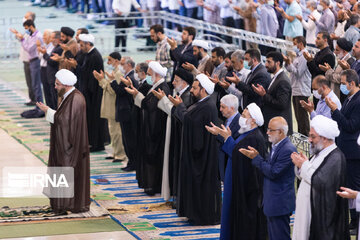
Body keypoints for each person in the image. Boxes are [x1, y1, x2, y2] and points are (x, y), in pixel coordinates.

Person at [206, 102, 267, 239]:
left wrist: (226, 137)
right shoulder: (247, 134)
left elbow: (238, 154)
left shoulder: (254, 137)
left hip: (244, 187)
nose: (241, 117)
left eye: (244, 115)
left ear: (252, 120)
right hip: (235, 179)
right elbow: (237, 152)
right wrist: (224, 136)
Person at [36, 69, 90, 214]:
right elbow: (63, 117)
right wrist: (49, 111)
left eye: (57, 84)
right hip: (67, 144)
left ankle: (68, 204)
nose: (55, 87)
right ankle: (62, 203)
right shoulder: (68, 96)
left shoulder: (76, 98)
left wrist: (48, 111)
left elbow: (65, 121)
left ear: (65, 85)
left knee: (67, 173)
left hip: (72, 146)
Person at [170, 73, 221, 225]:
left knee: (201, 186)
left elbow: (191, 122)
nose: (191, 90)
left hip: (201, 157)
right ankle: (194, 214)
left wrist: (180, 106)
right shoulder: (201, 104)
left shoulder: (207, 106)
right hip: (196, 155)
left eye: (194, 87)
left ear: (203, 90)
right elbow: (190, 119)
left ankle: (201, 216)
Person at [291, 115, 349, 240]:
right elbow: (309, 175)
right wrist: (301, 165)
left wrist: (304, 165)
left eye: (313, 136)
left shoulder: (336, 157)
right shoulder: (319, 153)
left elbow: (321, 181)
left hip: (323, 219)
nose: (309, 140)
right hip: (306, 213)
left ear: (325, 138)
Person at [240, 117, 296, 240]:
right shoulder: (276, 145)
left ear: (281, 132)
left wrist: (256, 158)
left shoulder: (288, 149)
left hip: (280, 203)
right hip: (273, 201)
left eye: (271, 130)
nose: (267, 133)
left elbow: (273, 172)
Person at [125, 61, 171, 196]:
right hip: (150, 129)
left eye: (150, 74)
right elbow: (148, 103)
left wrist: (136, 94)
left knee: (154, 160)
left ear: (156, 75)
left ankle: (153, 186)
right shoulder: (155, 86)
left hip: (155, 131)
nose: (149, 76)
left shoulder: (162, 87)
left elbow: (151, 106)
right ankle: (149, 185)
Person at [152, 68, 194, 201]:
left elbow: (179, 115)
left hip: (181, 137)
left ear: (184, 82)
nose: (173, 83)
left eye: (176, 80)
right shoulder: (181, 94)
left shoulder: (187, 96)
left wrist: (164, 100)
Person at [327, 69, 360, 233]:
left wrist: (335, 111)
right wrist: (335, 112)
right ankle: (352, 219)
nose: (341, 87)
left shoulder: (358, 101)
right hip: (346, 149)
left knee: (354, 186)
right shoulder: (349, 98)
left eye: (343, 83)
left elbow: (351, 126)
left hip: (353, 152)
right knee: (348, 184)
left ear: (352, 83)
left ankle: (356, 221)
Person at [93, 52, 127, 163]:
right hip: (110, 105)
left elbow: (113, 90)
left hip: (114, 105)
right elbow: (108, 86)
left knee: (116, 132)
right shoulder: (115, 72)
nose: (108, 62)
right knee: (112, 131)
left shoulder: (118, 73)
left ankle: (120, 154)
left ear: (116, 61)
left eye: (110, 60)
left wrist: (102, 80)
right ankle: (115, 152)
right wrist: (102, 80)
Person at [78, 33, 109, 152]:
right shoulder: (88, 55)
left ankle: (97, 144)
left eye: (82, 45)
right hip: (89, 92)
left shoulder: (95, 56)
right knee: (90, 118)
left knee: (96, 118)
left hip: (95, 93)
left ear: (88, 44)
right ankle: (92, 142)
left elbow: (92, 76)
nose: (80, 47)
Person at [252, 51, 293, 135]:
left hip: (278, 127)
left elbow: (281, 104)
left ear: (277, 63)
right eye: (266, 61)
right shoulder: (276, 77)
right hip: (273, 124)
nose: (266, 65)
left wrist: (264, 95)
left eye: (269, 62)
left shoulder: (283, 81)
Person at [111, 56, 138, 171]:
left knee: (130, 141)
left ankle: (133, 163)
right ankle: (130, 162)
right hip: (124, 112)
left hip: (127, 113)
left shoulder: (130, 78)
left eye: (123, 64)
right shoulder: (127, 77)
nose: (121, 66)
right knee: (126, 141)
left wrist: (112, 81)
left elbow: (120, 91)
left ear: (129, 65)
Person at [15, 20, 44, 118]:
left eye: (26, 28)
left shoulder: (38, 36)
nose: (26, 31)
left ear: (31, 26)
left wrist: (22, 40)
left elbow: (29, 48)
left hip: (36, 60)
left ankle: (40, 107)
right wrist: (21, 38)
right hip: (32, 60)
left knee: (36, 85)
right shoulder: (32, 35)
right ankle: (38, 106)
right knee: (34, 85)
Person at [284, 36, 311, 136]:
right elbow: (291, 70)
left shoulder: (304, 56)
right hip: (295, 89)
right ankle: (301, 137)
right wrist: (287, 63)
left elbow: (298, 73)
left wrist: (289, 63)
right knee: (298, 118)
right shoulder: (298, 56)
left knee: (302, 119)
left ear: (300, 44)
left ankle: (306, 139)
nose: (293, 46)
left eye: (295, 43)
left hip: (302, 90)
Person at [216, 94, 240, 182]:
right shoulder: (227, 120)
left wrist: (219, 133)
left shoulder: (239, 123)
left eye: (223, 107)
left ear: (232, 108)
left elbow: (235, 146)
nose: (220, 109)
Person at [40, 31, 63, 110]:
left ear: (58, 39)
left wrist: (45, 54)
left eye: (53, 38)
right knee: (50, 98)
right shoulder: (55, 47)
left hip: (54, 77)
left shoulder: (59, 48)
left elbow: (51, 61)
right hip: (49, 76)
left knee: (54, 99)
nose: (51, 40)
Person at [38, 29, 54, 111]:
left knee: (50, 91)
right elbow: (40, 57)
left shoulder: (52, 46)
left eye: (45, 36)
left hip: (48, 69)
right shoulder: (45, 45)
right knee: (46, 91)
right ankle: (48, 109)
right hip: (43, 69)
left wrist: (44, 53)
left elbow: (48, 59)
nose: (43, 37)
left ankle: (51, 110)